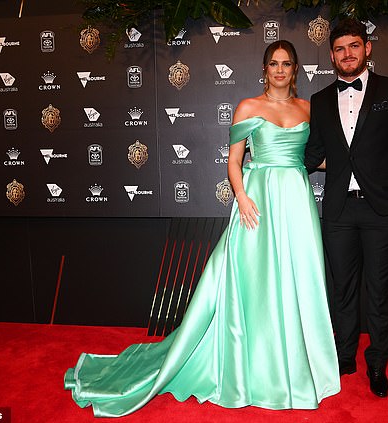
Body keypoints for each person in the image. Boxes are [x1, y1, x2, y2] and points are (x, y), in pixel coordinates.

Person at [64, 40, 340, 417]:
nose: (279, 70)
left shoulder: (310, 110)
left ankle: (296, 362)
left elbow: (318, 158)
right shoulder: (248, 107)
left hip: (296, 199)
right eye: (273, 63)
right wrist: (241, 196)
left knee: (298, 278)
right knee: (254, 282)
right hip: (257, 200)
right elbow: (234, 161)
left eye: (286, 64)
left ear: (296, 70)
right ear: (264, 69)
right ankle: (255, 364)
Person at [304, 19, 388, 398]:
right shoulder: (320, 100)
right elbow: (314, 154)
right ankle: (343, 357)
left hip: (383, 210)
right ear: (332, 55)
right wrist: (269, 158)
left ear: (367, 48)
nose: (347, 54)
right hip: (338, 210)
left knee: (379, 290)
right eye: (339, 49)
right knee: (342, 289)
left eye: (354, 46)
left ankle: (377, 362)